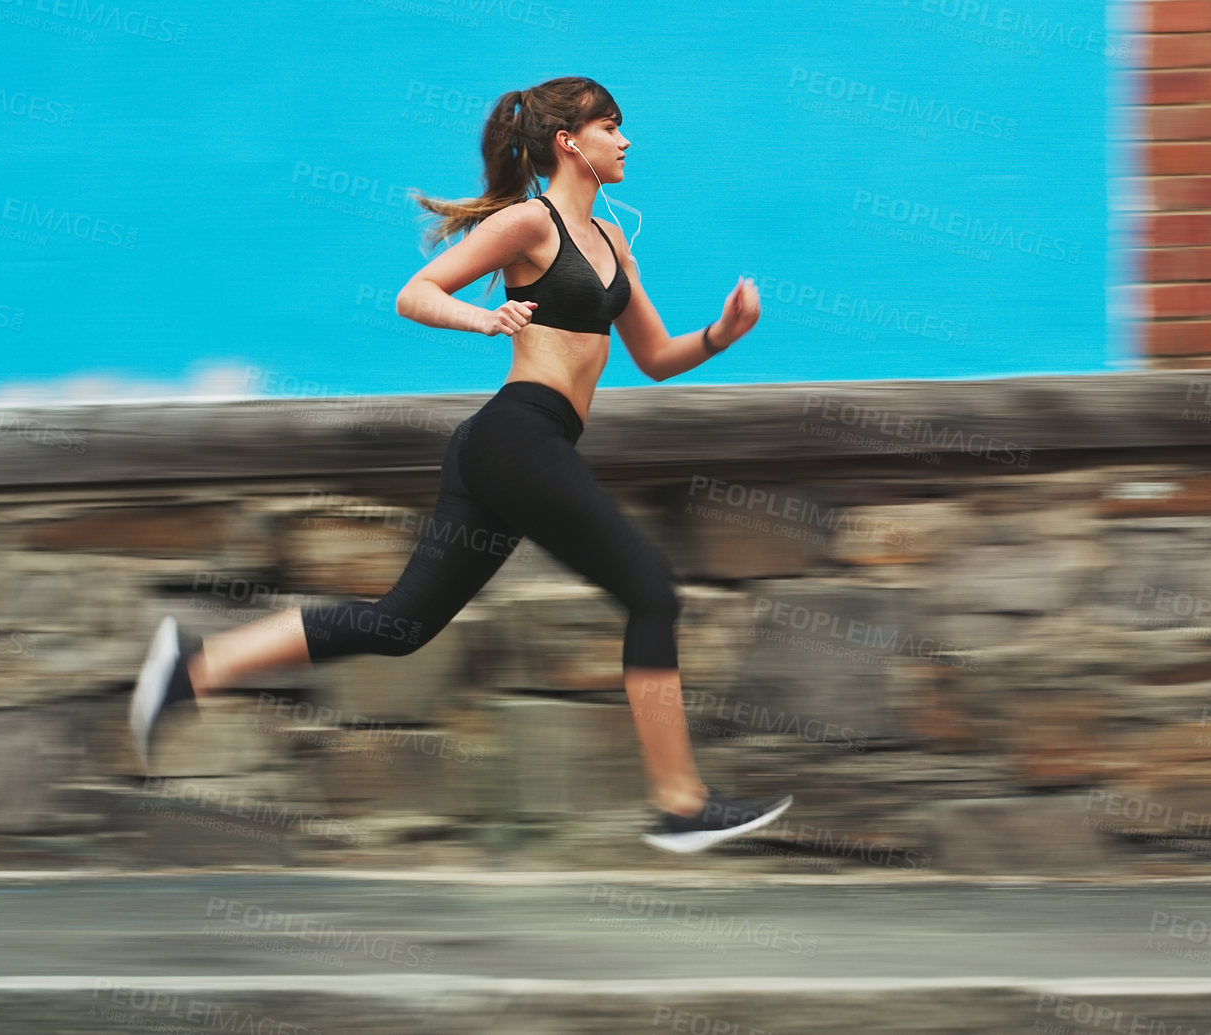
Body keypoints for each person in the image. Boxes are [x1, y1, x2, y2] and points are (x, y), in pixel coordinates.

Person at [130, 75, 791, 854]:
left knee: (400, 623)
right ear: (569, 143)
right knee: (651, 591)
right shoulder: (527, 223)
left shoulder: (615, 245)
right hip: (518, 436)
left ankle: (193, 668)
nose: (627, 140)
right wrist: (486, 316)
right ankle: (679, 802)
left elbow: (654, 357)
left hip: (513, 449)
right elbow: (416, 293)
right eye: (613, 127)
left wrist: (723, 332)